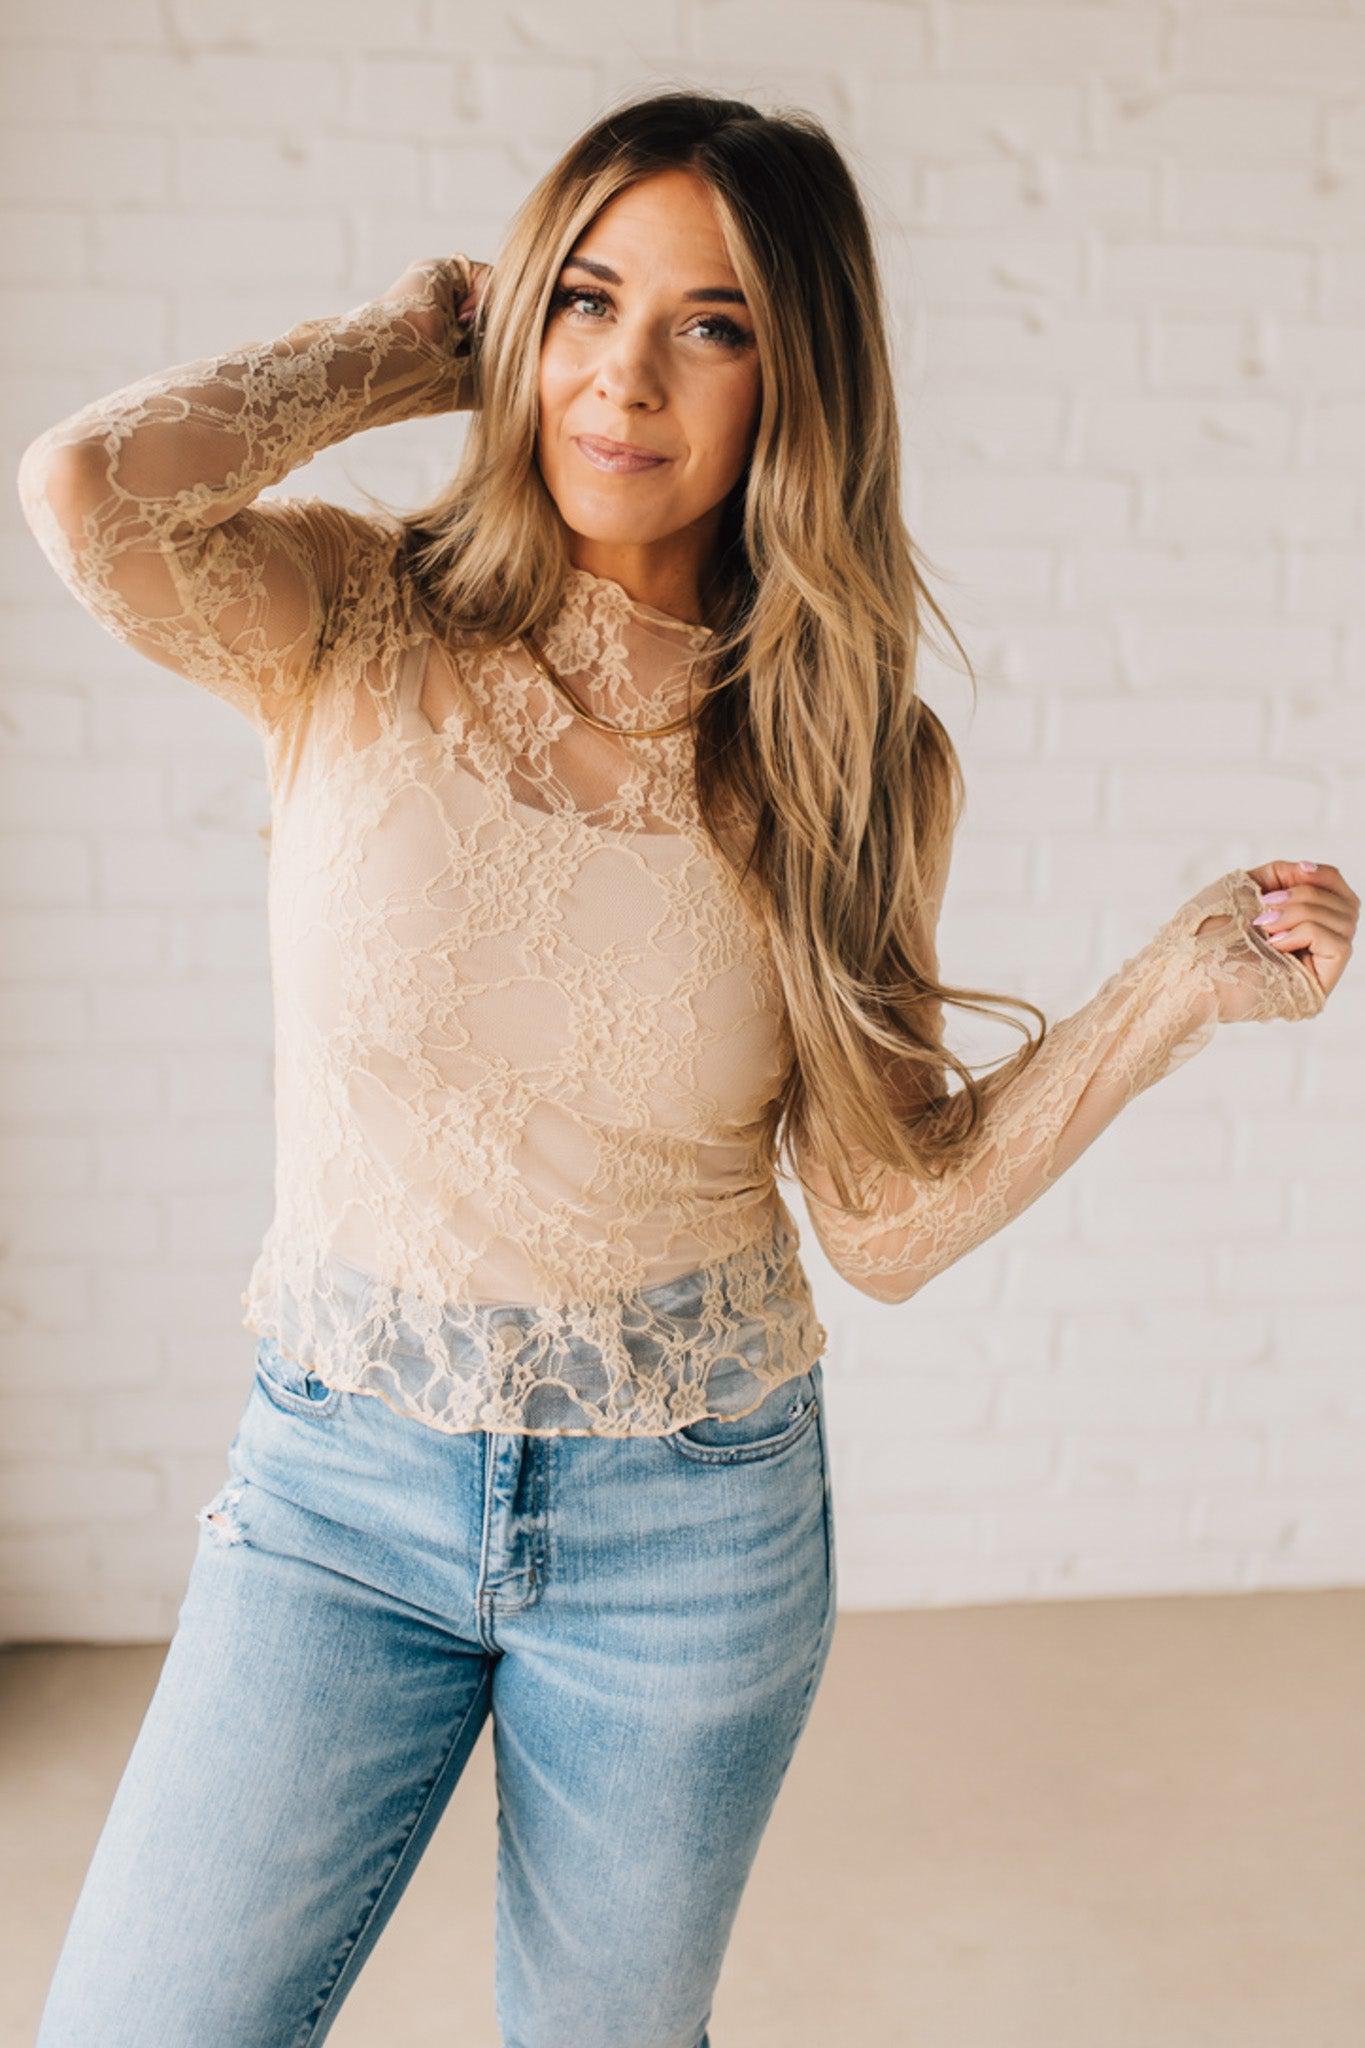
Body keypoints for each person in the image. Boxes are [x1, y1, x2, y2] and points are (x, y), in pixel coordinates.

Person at [17, 86, 1353, 2048]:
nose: (623, 375)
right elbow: (86, 493)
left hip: (687, 1528)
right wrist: (414, 339)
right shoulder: (348, 617)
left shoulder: (846, 757)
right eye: (582, 299)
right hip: (337, 1488)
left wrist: (1163, 992)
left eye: (707, 324)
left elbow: (882, 1222)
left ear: (789, 379)